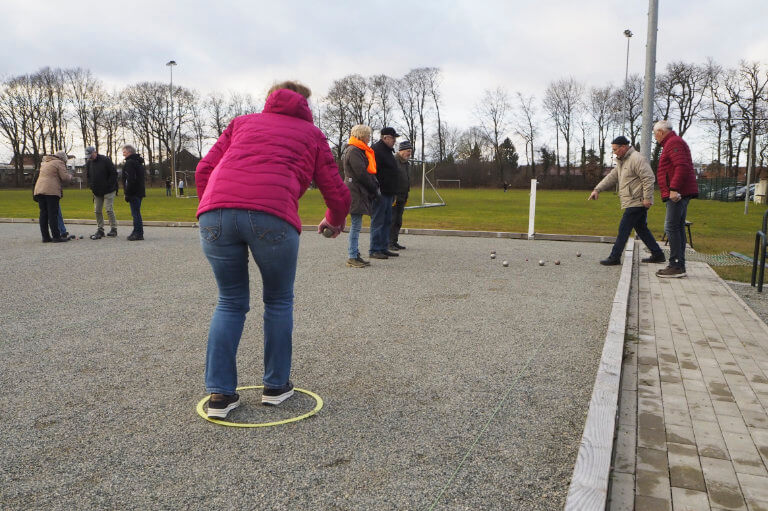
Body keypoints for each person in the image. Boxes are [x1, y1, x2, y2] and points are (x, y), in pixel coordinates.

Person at [195, 81, 350, 418]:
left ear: (269, 100)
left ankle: (220, 395)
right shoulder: (311, 134)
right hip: (272, 216)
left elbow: (204, 169)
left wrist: (214, 207)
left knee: (229, 302)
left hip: (214, 215)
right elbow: (335, 189)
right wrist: (334, 220)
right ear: (305, 104)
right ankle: (276, 387)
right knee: (278, 301)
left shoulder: (241, 123)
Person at [589, 136, 664, 266]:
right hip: (632, 201)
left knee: (624, 229)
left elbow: (649, 178)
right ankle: (658, 254)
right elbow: (612, 177)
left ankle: (615, 257)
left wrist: (647, 198)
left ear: (623, 147)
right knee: (641, 229)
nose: (614, 152)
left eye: (615, 149)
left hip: (637, 201)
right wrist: (597, 189)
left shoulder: (637, 159)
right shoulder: (622, 161)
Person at [654, 119, 699, 278]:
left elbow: (682, 166)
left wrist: (673, 189)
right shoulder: (673, 142)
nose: (655, 138)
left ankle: (676, 265)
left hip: (678, 194)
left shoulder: (673, 143)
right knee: (678, 227)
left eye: (655, 134)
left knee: (671, 227)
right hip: (680, 192)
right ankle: (679, 265)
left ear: (660, 132)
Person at [342, 124, 379, 268]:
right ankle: (352, 256)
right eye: (368, 135)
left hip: (357, 190)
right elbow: (361, 173)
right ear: (361, 135)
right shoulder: (354, 151)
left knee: (356, 224)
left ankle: (355, 254)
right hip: (355, 191)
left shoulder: (357, 150)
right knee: (356, 225)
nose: (369, 138)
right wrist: (373, 187)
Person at [369, 127, 400, 259]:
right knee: (378, 221)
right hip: (380, 192)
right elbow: (372, 172)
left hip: (389, 191)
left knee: (387, 221)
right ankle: (374, 249)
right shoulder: (376, 150)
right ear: (385, 137)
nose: (394, 141)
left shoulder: (388, 151)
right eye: (393, 138)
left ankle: (383, 247)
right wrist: (376, 189)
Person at [33, 151, 72, 243]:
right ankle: (56, 236)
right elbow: (64, 177)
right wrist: (70, 176)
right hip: (51, 191)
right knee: (52, 214)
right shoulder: (59, 162)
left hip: (39, 190)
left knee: (43, 214)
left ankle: (45, 237)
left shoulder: (45, 162)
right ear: (63, 158)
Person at [85, 146, 118, 239]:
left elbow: (113, 173)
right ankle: (100, 229)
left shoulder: (105, 160)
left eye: (91, 155)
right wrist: (91, 186)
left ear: (94, 152)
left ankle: (113, 229)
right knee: (97, 210)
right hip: (97, 191)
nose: (90, 158)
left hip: (109, 190)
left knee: (109, 209)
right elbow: (88, 176)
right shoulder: (89, 163)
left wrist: (109, 185)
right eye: (88, 156)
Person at [389, 140, 412, 251]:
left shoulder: (407, 163)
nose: (409, 153)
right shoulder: (394, 161)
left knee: (398, 220)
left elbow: (406, 179)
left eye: (410, 151)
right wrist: (393, 194)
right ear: (401, 151)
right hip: (394, 196)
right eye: (408, 151)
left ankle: (394, 241)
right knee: (392, 220)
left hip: (403, 195)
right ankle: (389, 242)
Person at [122, 145, 146, 241]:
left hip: (134, 192)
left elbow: (130, 179)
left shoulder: (130, 163)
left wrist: (127, 193)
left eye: (124, 152)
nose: (123, 154)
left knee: (135, 213)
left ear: (129, 152)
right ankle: (137, 231)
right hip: (139, 191)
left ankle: (138, 233)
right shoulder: (138, 162)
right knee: (136, 212)